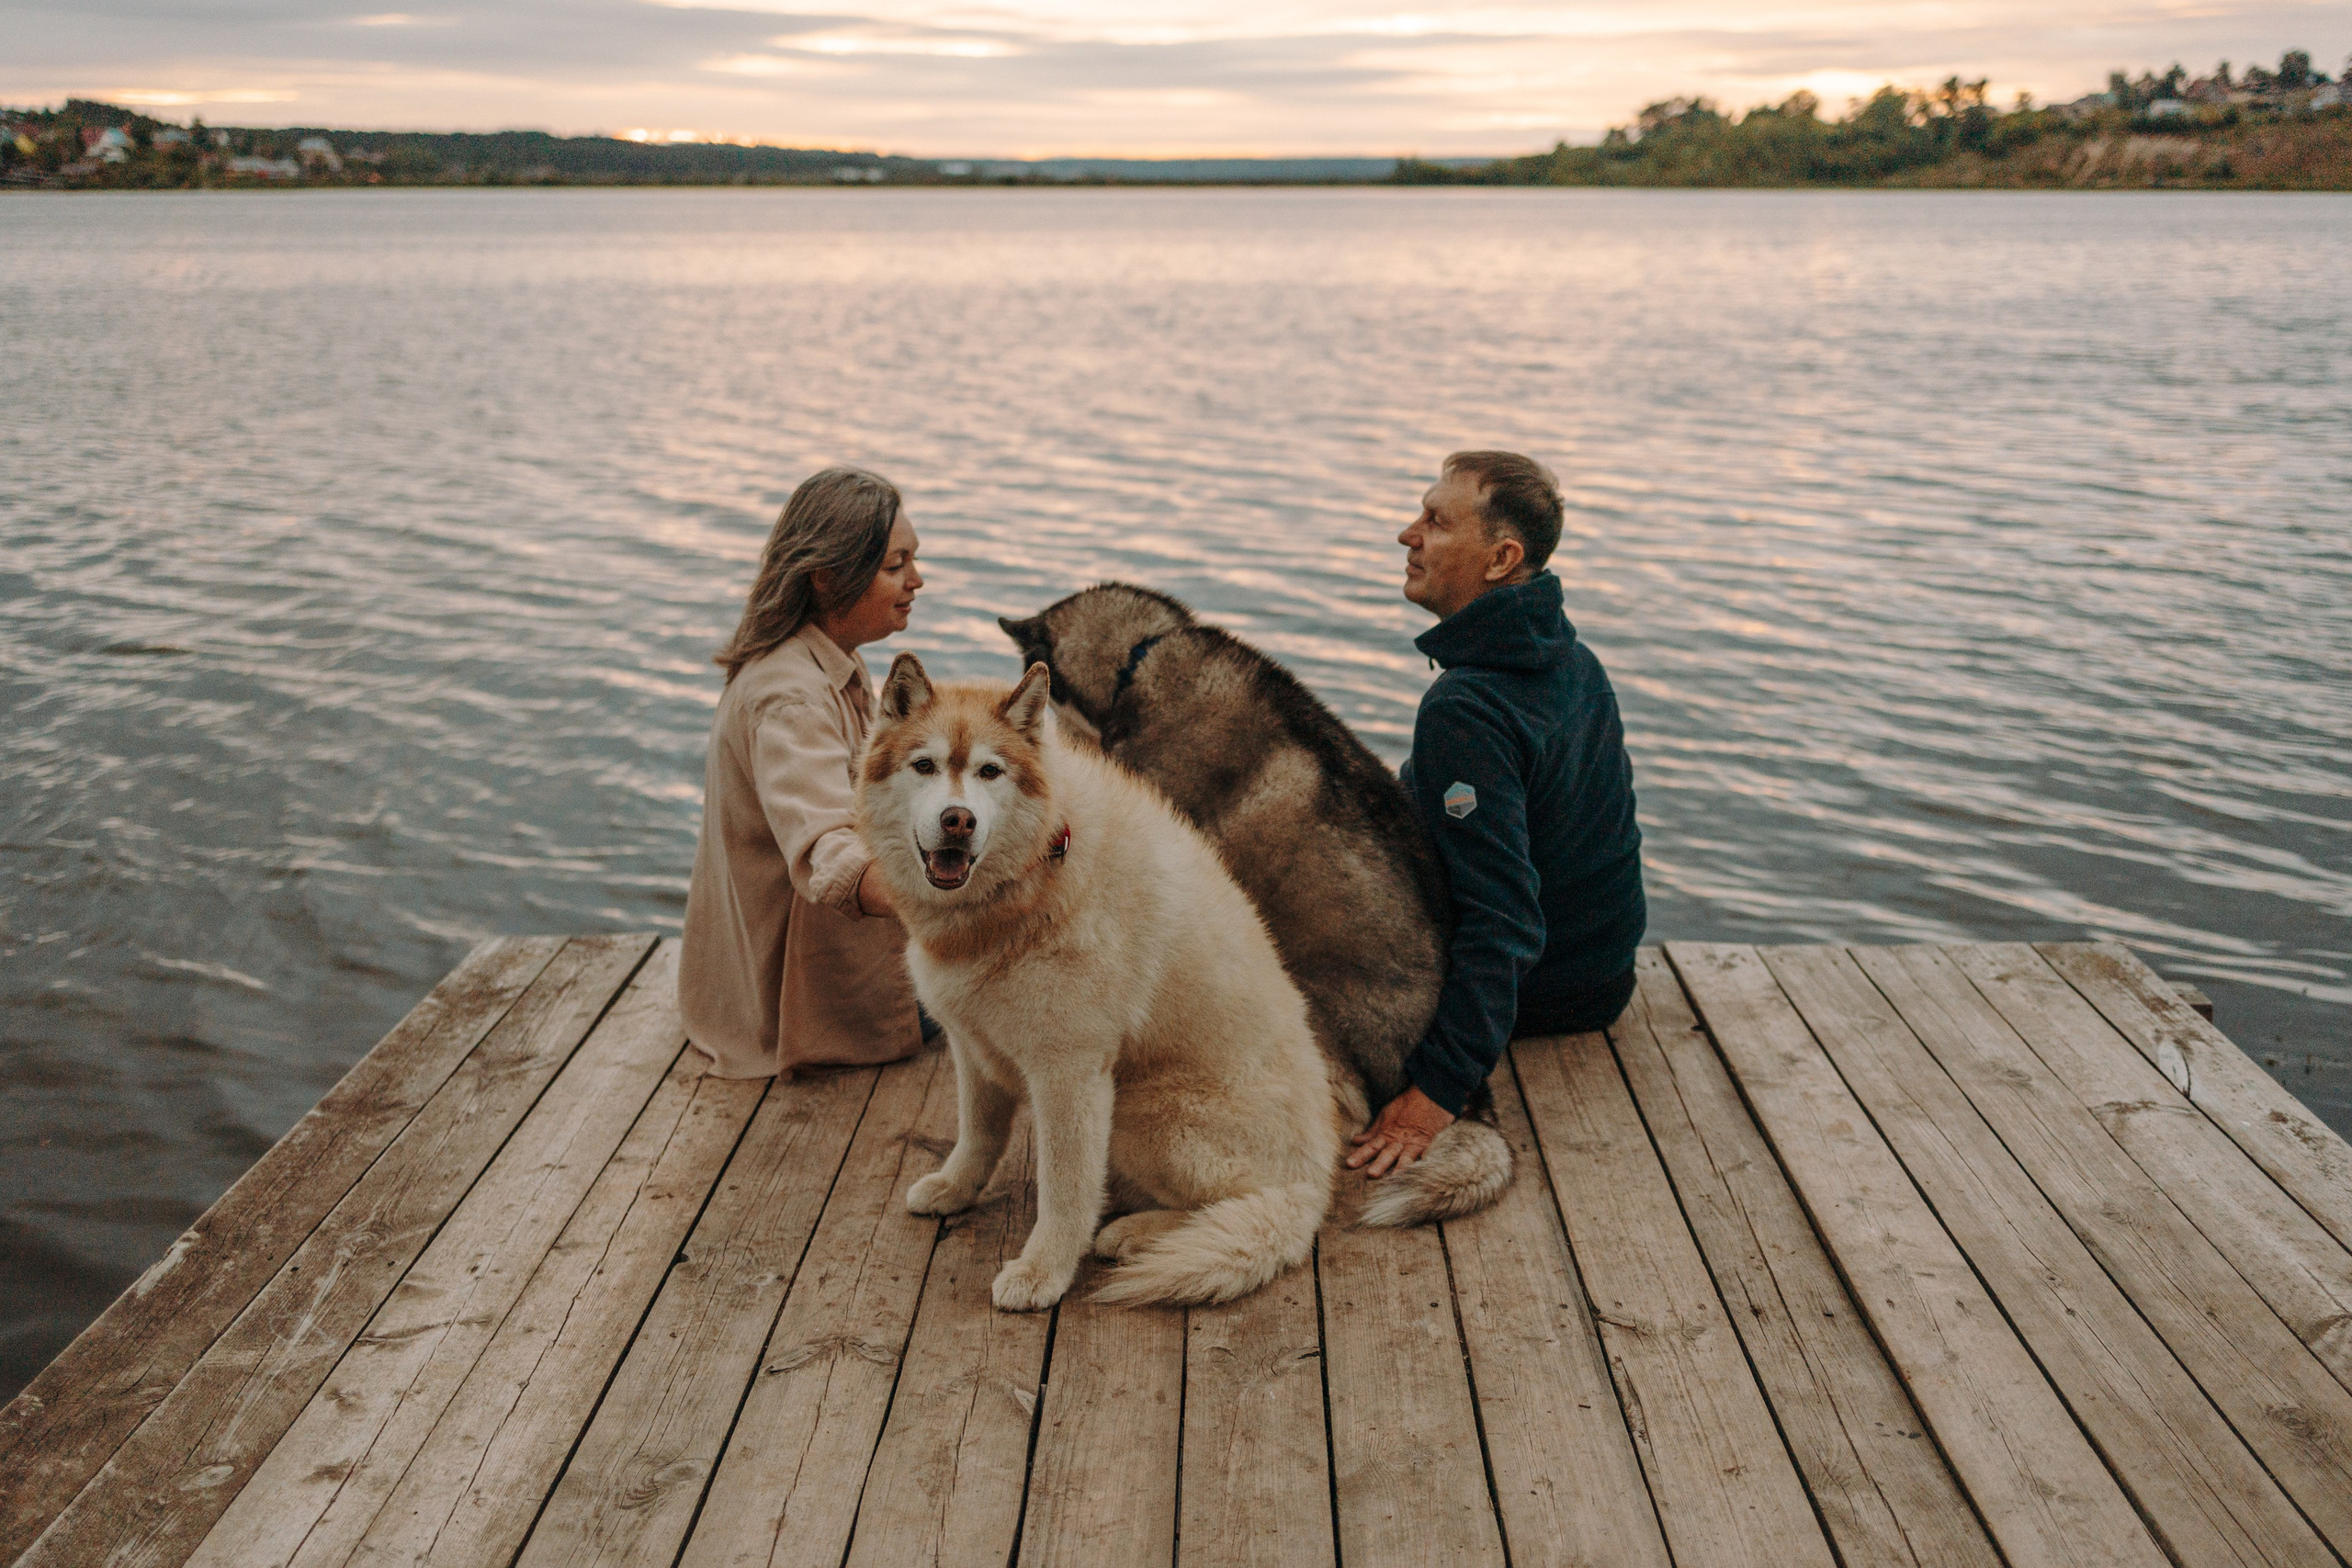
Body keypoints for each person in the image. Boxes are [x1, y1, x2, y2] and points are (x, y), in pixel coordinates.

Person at [1347, 450, 1646, 1178]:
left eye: (1435, 521)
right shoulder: (1570, 657)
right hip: (1602, 971)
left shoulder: (1467, 706)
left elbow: (1504, 920)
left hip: (1545, 991)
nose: (1406, 534)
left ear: (1501, 557)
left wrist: (1436, 1091)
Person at [677, 466, 928, 1078]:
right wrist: (961, 900)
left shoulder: (829, 664)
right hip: (793, 1007)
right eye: (895, 565)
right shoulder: (790, 698)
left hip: (791, 975)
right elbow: (828, 852)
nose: (916, 580)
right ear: (828, 576)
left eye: (912, 561)